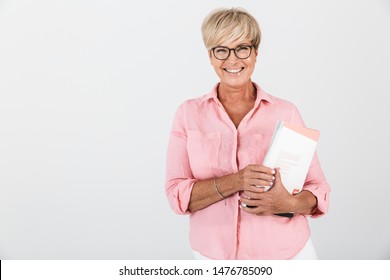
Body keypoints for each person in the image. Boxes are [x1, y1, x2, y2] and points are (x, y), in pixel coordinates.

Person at [165, 7, 330, 260]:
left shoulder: (286, 112)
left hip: (287, 256)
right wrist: (237, 180)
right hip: (213, 257)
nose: (233, 60)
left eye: (242, 48)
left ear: (255, 53)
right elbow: (177, 195)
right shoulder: (188, 114)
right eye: (221, 50)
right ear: (210, 56)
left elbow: (318, 188)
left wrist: (287, 203)